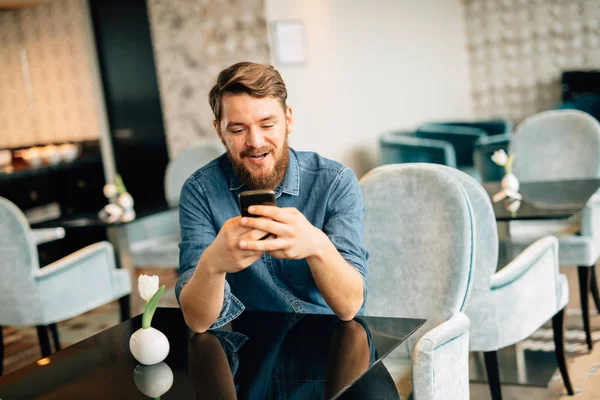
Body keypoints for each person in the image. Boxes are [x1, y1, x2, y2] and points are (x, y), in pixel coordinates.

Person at [177, 61, 368, 333]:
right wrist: (212, 264)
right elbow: (197, 321)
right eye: (238, 130)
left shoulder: (335, 182)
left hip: (332, 342)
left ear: (288, 120)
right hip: (252, 352)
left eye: (267, 124)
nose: (255, 141)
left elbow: (350, 306)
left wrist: (317, 246)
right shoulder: (200, 191)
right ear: (219, 131)